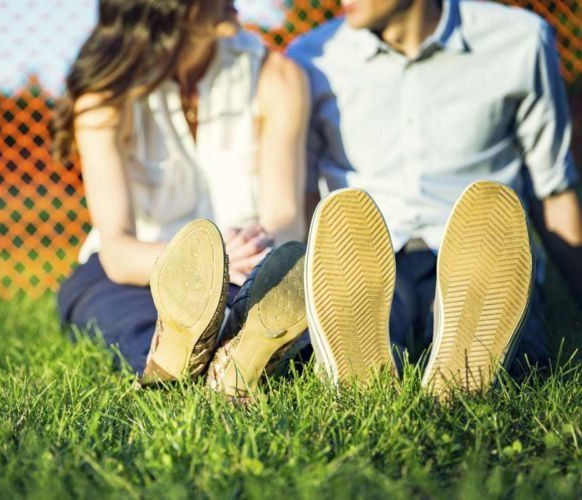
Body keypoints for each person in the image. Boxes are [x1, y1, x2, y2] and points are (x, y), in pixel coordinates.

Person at [287, 0, 582, 396]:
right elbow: (304, 197)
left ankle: (468, 361)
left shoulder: (520, 40)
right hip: (367, 257)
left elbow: (553, 187)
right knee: (366, 311)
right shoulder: (312, 58)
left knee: (509, 338)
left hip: (480, 255)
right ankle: (366, 366)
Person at [51, 0, 312, 394]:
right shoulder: (103, 99)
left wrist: (249, 262)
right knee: (122, 315)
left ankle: (222, 351)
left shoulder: (276, 77)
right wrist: (202, 265)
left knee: (273, 306)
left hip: (247, 267)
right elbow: (117, 250)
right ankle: (187, 358)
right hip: (136, 272)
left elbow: (285, 219)